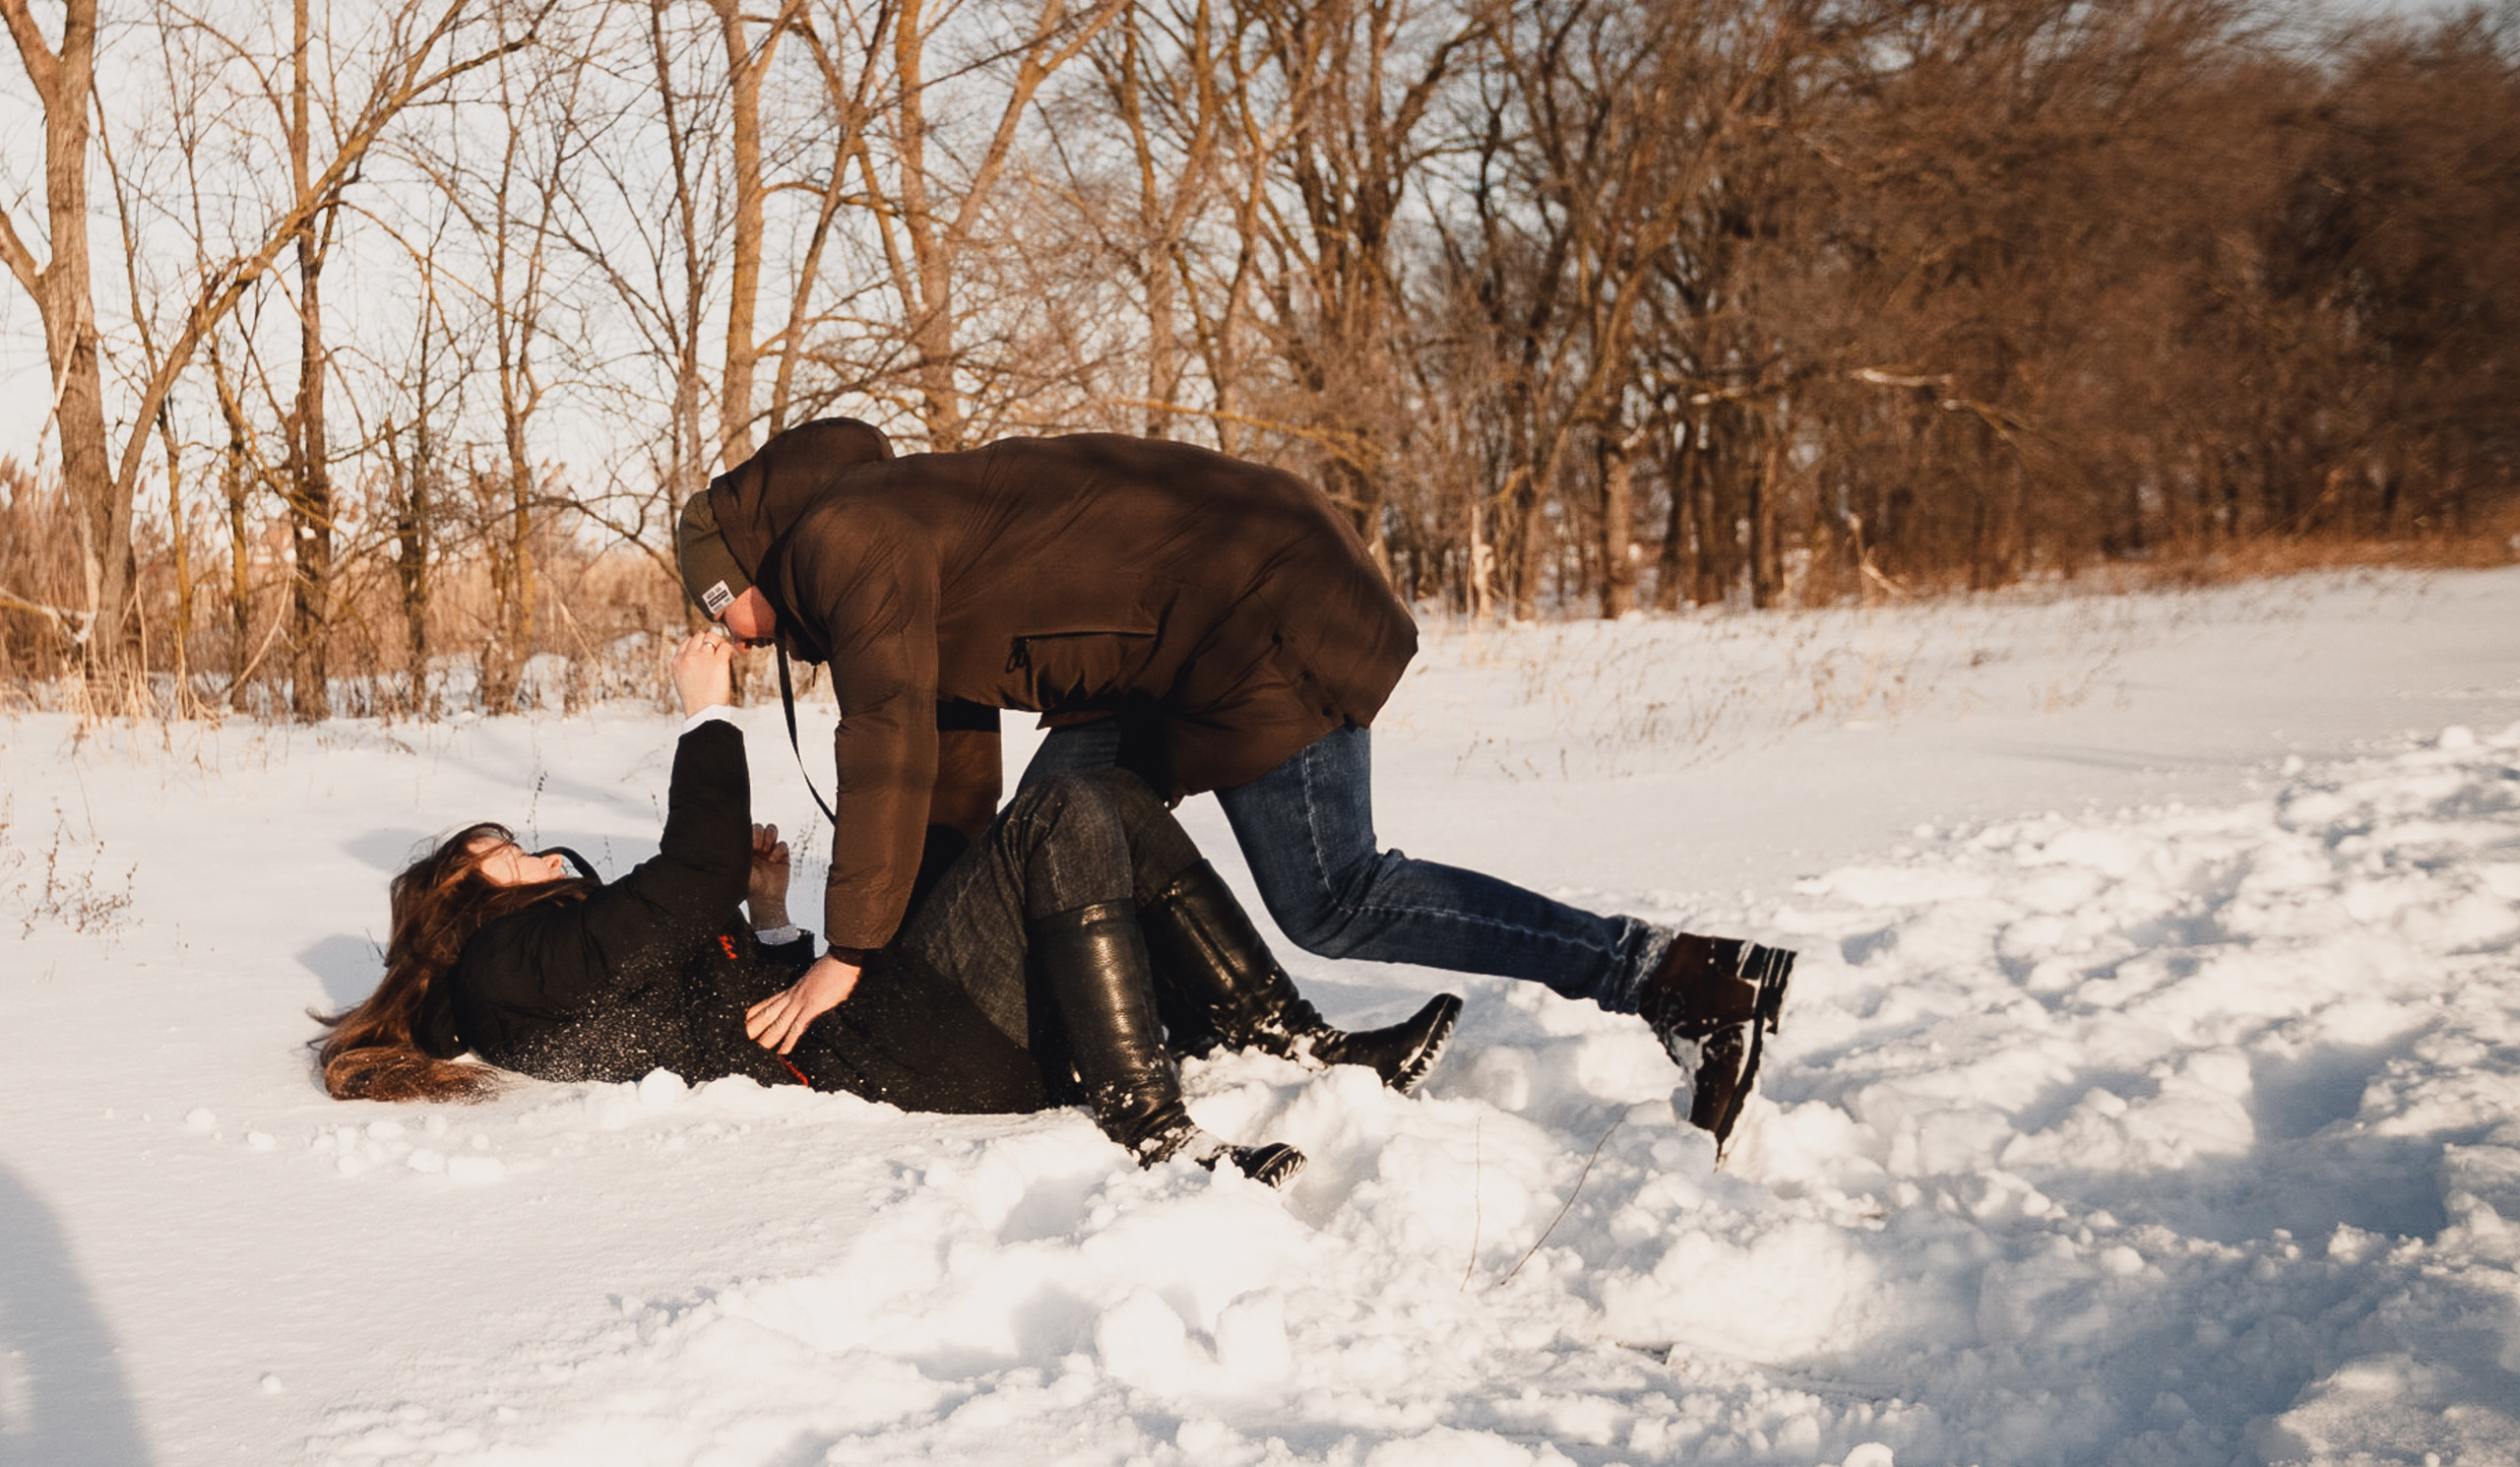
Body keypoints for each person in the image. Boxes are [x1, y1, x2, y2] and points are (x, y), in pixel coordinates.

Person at [676, 419, 1796, 1151]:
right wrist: (931, 934)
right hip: (1197, 627)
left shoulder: (846, 538)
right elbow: (946, 752)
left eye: (712, 603)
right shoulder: (894, 521)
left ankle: (1670, 974)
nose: (718, 629)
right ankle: (1275, 1042)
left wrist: (849, 952)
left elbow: (881, 741)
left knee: (1338, 897)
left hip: (1261, 615)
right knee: (1067, 821)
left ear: (744, 567)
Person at [309, 633, 1453, 1182]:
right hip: (908, 1052)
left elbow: (713, 1001)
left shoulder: (537, 965)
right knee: (1057, 820)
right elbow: (680, 884)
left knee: (1098, 794)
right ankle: (1151, 1122)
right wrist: (707, 716)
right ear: (457, 910)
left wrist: (766, 922)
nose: (521, 849)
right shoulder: (503, 974)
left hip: (892, 1039)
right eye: (492, 854)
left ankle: (1291, 1032)